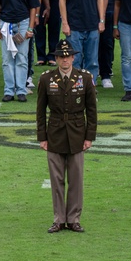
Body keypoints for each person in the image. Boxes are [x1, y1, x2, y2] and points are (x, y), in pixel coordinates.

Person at [37, 39, 97, 233]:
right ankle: (58, 219)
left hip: (77, 133)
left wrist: (89, 137)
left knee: (76, 179)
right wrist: (42, 137)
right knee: (56, 180)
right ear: (56, 59)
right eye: (61, 57)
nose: (65, 60)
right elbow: (40, 111)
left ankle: (73, 219)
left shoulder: (85, 78)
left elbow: (92, 110)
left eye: (68, 56)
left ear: (73, 57)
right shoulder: (46, 79)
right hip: (54, 133)